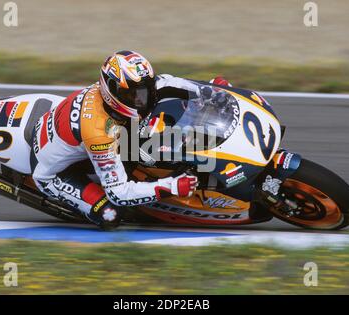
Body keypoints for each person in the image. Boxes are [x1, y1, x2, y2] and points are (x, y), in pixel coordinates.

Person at [30, 50, 226, 229]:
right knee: (111, 215)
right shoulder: (98, 132)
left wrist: (207, 89)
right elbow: (119, 193)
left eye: (146, 90)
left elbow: (166, 83)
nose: (144, 99)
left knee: (144, 142)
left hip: (70, 133)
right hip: (53, 173)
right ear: (113, 91)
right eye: (135, 95)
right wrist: (173, 186)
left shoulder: (122, 91)